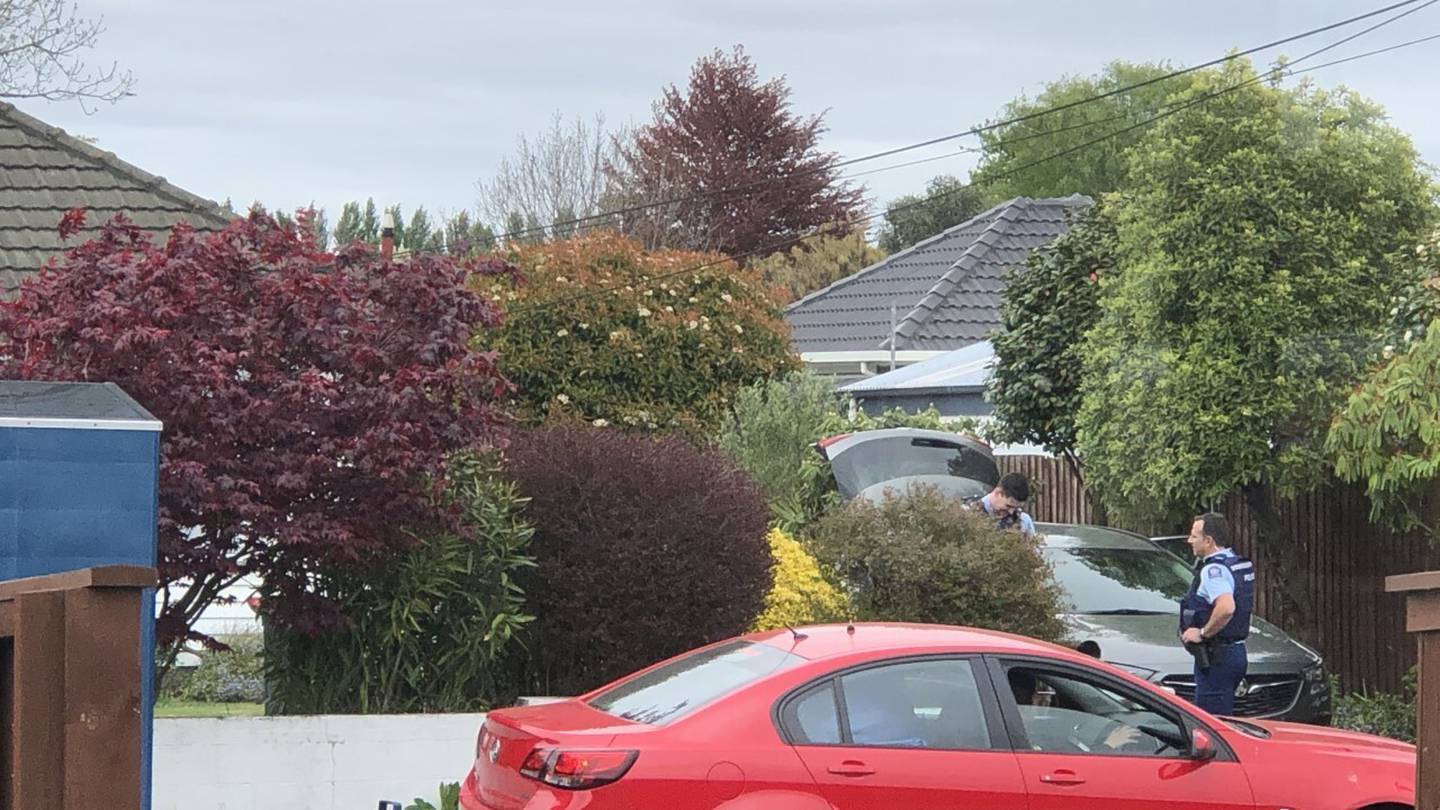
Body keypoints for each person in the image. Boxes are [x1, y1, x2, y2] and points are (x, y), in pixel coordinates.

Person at [1177, 512, 1255, 716]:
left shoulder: (1214, 570)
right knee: (1225, 718)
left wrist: (1202, 633)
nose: (1189, 541)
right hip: (1235, 652)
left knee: (1212, 725)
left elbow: (1227, 607)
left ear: (1209, 540)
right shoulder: (1234, 562)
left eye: (1194, 536)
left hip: (1217, 656)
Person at [968, 472, 1035, 535]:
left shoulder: (1024, 521)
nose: (1011, 512)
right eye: (1008, 506)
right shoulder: (966, 514)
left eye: (1016, 508)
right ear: (997, 493)